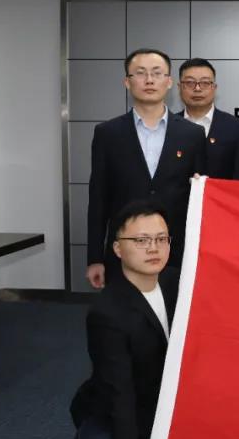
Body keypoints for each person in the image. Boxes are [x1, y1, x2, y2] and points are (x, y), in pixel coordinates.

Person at [71, 199, 178, 439]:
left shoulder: (179, 283)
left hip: (168, 401)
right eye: (141, 240)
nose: (153, 248)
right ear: (118, 249)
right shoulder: (107, 313)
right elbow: (120, 393)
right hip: (118, 405)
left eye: (161, 238)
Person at [86, 48, 206, 289]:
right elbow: (98, 199)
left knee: (172, 310)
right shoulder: (108, 133)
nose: (149, 80)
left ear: (169, 82)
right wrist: (94, 258)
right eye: (140, 73)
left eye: (157, 73)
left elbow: (199, 198)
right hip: (124, 251)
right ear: (127, 82)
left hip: (175, 251)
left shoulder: (192, 134)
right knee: (124, 311)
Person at [174, 58, 239, 180]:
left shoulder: (238, 129)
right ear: (179, 87)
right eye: (190, 83)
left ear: (214, 87)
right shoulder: (169, 126)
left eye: (205, 83)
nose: (197, 89)